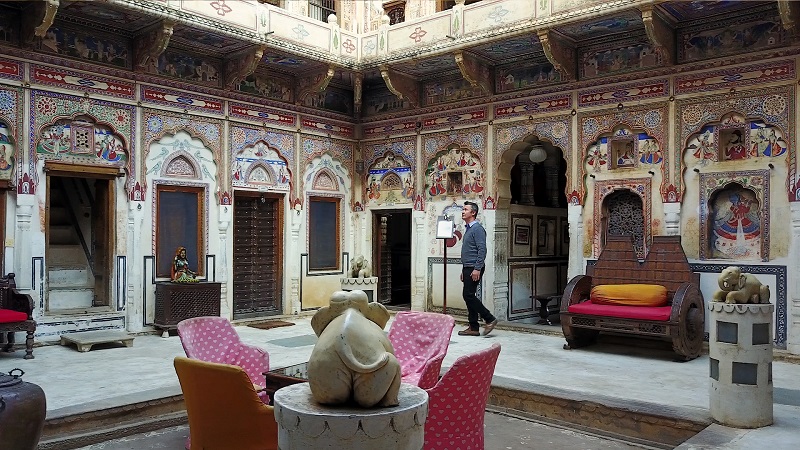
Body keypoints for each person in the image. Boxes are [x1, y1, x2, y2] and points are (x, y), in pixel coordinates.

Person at [458, 201, 497, 336]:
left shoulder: (477, 229)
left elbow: (482, 250)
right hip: (468, 267)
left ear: (473, 213)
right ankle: (473, 327)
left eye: (465, 209)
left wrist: (477, 268)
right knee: (470, 295)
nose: (463, 211)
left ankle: (489, 318)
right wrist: (464, 269)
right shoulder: (468, 229)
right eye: (463, 209)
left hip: (474, 267)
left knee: (468, 295)